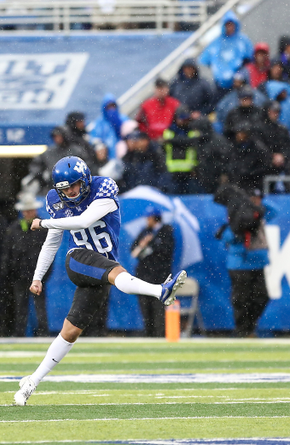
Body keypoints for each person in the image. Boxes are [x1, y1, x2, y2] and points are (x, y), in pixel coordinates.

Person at [14, 156, 187, 406]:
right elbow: (52, 241)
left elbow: (83, 221)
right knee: (118, 273)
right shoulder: (55, 200)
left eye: (75, 185)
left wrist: (43, 222)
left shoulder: (103, 187)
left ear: (85, 180)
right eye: (65, 188)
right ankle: (160, 291)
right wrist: (37, 276)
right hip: (78, 260)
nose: (71, 191)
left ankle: (32, 381)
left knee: (70, 331)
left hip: (99, 268)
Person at [214, 183, 277, 337]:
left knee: (261, 296)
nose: (256, 201)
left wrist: (255, 204)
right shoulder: (237, 216)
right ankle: (242, 330)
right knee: (241, 299)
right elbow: (228, 238)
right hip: (240, 265)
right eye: (253, 198)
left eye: (258, 198)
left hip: (257, 263)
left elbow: (275, 210)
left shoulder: (258, 215)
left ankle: (249, 326)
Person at [1, 193, 51, 337]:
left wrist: (43, 275)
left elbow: (49, 253)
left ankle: (43, 334)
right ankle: (19, 334)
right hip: (19, 275)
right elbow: (7, 252)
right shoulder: (14, 228)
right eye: (26, 210)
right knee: (20, 306)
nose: (28, 213)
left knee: (40, 307)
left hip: (38, 275)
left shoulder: (44, 227)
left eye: (30, 210)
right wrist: (9, 272)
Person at [131, 206, 175, 337]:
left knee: (158, 307)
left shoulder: (167, 231)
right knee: (145, 306)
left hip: (159, 275)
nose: (147, 221)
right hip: (144, 275)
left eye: (149, 218)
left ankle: (159, 334)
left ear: (155, 218)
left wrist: (153, 244)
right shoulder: (145, 231)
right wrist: (143, 244)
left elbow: (166, 251)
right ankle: (148, 333)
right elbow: (133, 249)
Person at [199, 10, 254, 101]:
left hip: (238, 83)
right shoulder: (217, 42)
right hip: (220, 85)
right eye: (227, 25)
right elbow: (205, 59)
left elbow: (249, 59)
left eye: (231, 24)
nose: (229, 27)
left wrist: (239, 73)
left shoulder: (243, 40)